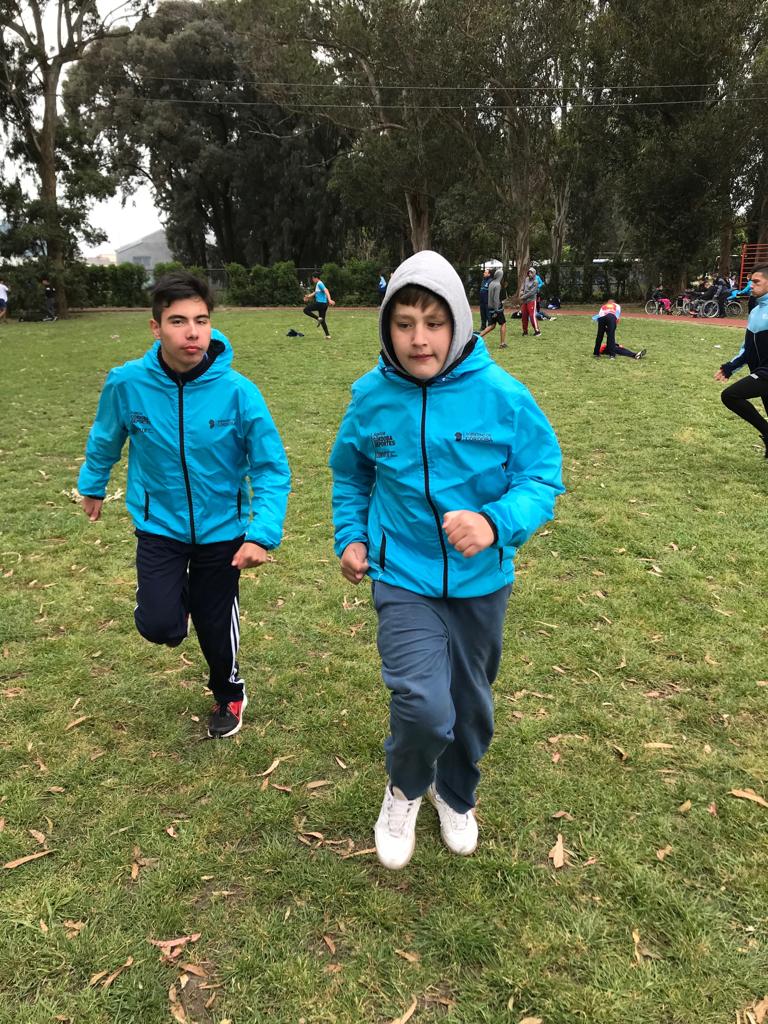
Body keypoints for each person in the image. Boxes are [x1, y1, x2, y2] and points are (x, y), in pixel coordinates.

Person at [329, 250, 564, 870]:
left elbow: (542, 477)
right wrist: (350, 536)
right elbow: (351, 475)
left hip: (481, 582)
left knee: (471, 705)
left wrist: (494, 523)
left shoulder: (502, 395)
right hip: (402, 574)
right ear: (387, 327)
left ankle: (455, 795)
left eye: (433, 323)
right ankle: (404, 790)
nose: (419, 339)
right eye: (404, 323)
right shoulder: (370, 397)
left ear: (458, 322)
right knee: (424, 706)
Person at [77, 272, 291, 739]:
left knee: (215, 624)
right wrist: (93, 485)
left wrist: (261, 533)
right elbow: (106, 437)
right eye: (178, 321)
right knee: (160, 625)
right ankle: (179, 605)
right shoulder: (127, 384)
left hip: (223, 531)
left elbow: (271, 468)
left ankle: (229, 693)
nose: (192, 332)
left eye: (201, 320)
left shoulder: (238, 392)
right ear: (156, 327)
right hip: (160, 526)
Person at [715, 264, 768, 455]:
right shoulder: (755, 312)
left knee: (730, 395)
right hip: (759, 371)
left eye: (756, 282)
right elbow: (747, 349)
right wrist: (730, 367)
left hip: (765, 374)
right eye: (750, 281)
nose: (751, 285)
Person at [480, 267, 507, 348]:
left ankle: (478, 337)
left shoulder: (491, 283)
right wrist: (496, 310)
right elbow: (496, 298)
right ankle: (502, 343)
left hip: (490, 307)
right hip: (496, 308)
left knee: (492, 325)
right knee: (503, 324)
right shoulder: (498, 285)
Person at [303, 272, 335, 338]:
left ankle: (318, 318)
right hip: (324, 305)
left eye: (312, 278)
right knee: (322, 320)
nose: (312, 280)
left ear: (315, 278)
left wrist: (329, 299)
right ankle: (328, 335)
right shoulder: (318, 284)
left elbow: (326, 290)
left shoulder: (319, 283)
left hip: (320, 304)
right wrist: (308, 296)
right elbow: (315, 293)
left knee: (305, 310)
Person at [519, 268, 541, 337]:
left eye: (531, 273)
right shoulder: (526, 279)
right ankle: (525, 331)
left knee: (532, 316)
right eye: (529, 272)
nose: (530, 274)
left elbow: (532, 292)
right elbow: (522, 287)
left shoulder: (536, 282)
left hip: (531, 301)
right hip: (524, 301)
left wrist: (523, 297)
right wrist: (521, 291)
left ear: (534, 273)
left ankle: (537, 331)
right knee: (524, 316)